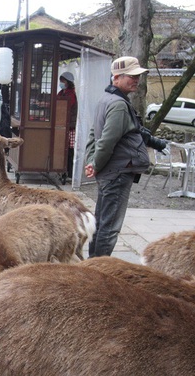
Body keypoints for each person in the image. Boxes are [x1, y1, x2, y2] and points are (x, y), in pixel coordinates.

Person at [84, 56, 151, 258]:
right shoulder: (119, 104)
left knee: (102, 221)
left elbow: (94, 135)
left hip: (109, 170)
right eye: (131, 76)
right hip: (118, 171)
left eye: (137, 76)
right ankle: (99, 272)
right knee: (110, 226)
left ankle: (92, 267)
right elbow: (107, 141)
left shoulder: (106, 99)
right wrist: (94, 163)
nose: (136, 80)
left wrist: (92, 161)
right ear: (116, 77)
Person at [58, 71, 78, 178]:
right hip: (63, 124)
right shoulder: (62, 92)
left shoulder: (70, 94)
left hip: (69, 125)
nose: (61, 83)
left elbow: (64, 107)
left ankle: (69, 171)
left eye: (63, 81)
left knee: (69, 150)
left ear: (68, 82)